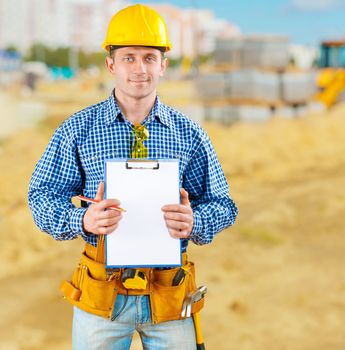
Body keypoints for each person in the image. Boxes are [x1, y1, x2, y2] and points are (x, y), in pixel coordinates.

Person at [28, 4, 237, 349]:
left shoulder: (190, 135)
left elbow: (224, 205)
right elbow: (40, 198)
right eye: (128, 58)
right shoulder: (76, 131)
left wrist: (194, 220)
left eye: (149, 58)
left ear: (163, 65)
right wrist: (83, 219)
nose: (139, 68)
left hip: (170, 296)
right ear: (111, 64)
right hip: (101, 295)